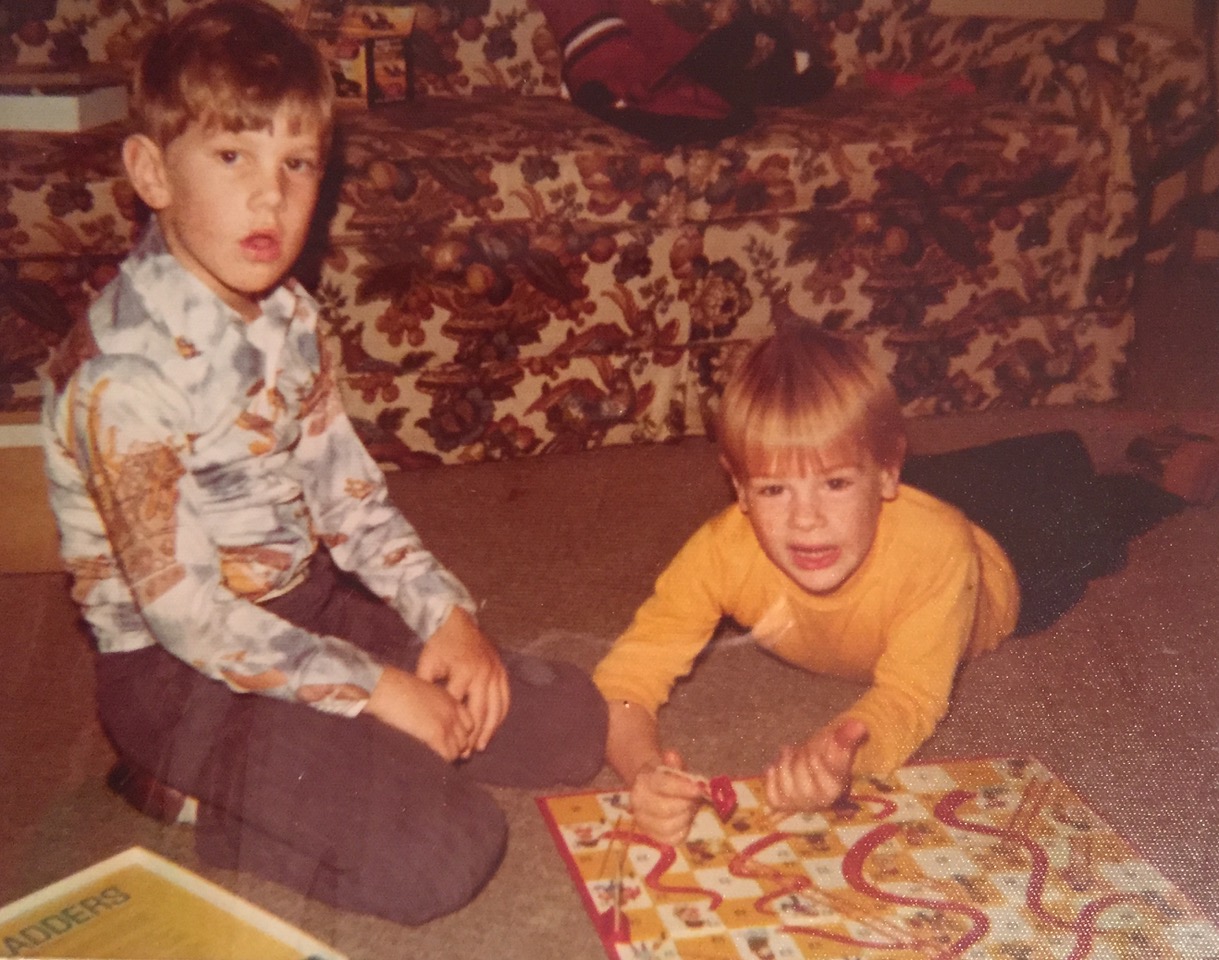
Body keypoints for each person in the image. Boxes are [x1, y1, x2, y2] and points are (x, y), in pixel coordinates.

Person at [41, 0, 606, 926]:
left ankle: (345, 760)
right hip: (178, 676)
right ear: (152, 172)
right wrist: (378, 690)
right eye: (233, 158)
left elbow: (350, 503)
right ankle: (192, 798)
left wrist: (444, 616)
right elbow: (189, 619)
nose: (270, 196)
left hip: (304, 608)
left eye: (295, 163)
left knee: (567, 721)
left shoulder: (292, 319)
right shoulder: (123, 379)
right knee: (442, 852)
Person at [592, 323, 1182, 844]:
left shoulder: (936, 547)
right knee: (954, 475)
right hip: (908, 509)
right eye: (774, 489)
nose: (806, 520)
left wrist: (838, 756)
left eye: (834, 485)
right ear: (739, 488)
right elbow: (625, 679)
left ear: (884, 474)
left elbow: (910, 696)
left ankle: (1147, 466)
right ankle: (1068, 449)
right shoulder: (721, 551)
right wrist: (642, 769)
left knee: (1097, 522)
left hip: (1005, 569)